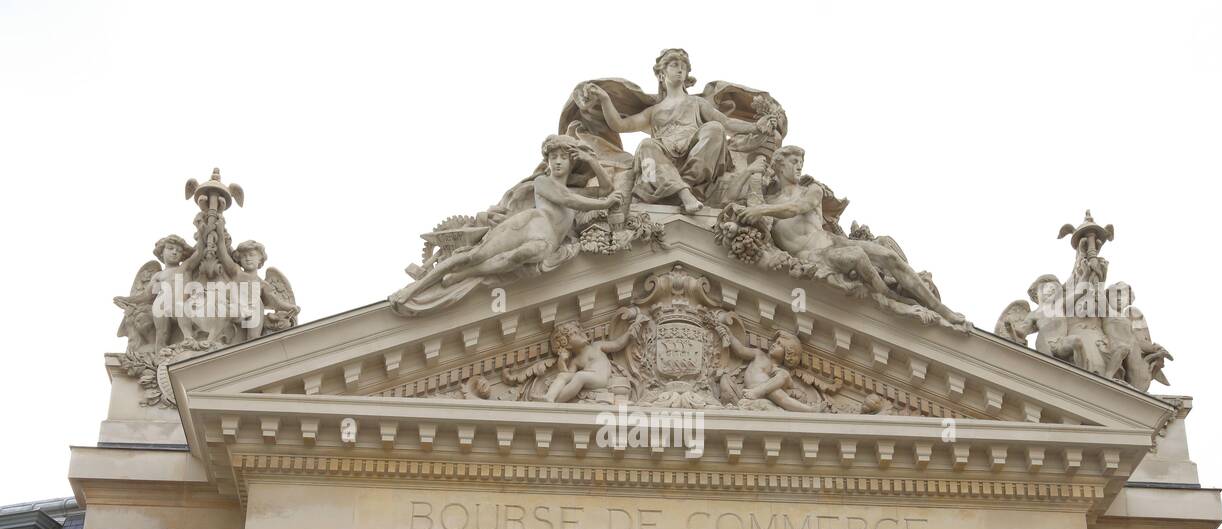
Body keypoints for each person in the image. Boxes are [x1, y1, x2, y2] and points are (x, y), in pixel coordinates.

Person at [737, 146, 968, 329]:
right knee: (857, 255)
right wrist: (750, 174)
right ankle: (890, 297)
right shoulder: (768, 202)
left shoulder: (811, 191)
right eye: (794, 162)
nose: (799, 167)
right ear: (779, 164)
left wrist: (760, 210)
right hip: (812, 256)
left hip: (831, 241)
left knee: (889, 256)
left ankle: (941, 309)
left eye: (801, 163)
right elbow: (737, 200)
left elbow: (798, 208)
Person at [391, 135, 621, 314]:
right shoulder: (543, 182)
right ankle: (413, 289)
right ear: (548, 162)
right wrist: (607, 202)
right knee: (473, 255)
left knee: (515, 258)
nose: (558, 161)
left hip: (546, 241)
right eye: (553, 157)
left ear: (572, 162)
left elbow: (605, 190)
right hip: (529, 225)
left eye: (563, 157)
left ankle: (467, 274)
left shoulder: (578, 193)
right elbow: (570, 199)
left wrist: (593, 162)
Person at [581, 48, 773, 213]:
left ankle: (686, 187)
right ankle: (684, 193)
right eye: (673, 64)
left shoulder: (696, 103)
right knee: (646, 145)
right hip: (663, 161)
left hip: (695, 158)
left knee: (715, 128)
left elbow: (728, 123)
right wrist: (605, 99)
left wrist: (756, 126)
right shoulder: (654, 111)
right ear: (661, 74)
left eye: (683, 66)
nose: (680, 68)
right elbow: (619, 126)